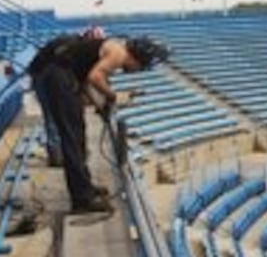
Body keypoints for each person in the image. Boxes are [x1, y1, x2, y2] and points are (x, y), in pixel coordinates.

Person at [28, 33, 169, 213]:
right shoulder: (119, 53)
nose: (138, 70)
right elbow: (95, 77)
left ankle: (85, 187)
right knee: (72, 137)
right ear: (138, 58)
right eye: (141, 66)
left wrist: (101, 106)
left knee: (77, 134)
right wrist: (114, 96)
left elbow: (87, 81)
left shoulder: (112, 48)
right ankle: (82, 200)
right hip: (57, 76)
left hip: (57, 75)